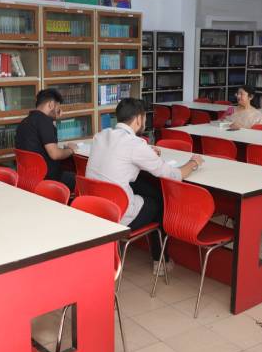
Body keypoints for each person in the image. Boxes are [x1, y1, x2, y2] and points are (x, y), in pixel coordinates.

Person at [86, 98, 203, 273]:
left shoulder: (100, 136)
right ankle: (160, 262)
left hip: (94, 208)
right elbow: (172, 175)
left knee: (146, 187)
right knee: (160, 202)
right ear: (138, 119)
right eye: (145, 118)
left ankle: (160, 259)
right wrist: (193, 163)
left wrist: (147, 152)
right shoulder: (135, 144)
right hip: (119, 214)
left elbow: (121, 158)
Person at [15, 89, 77, 191]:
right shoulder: (44, 122)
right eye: (58, 107)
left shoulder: (25, 122)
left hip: (27, 180)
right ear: (51, 104)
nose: (59, 111)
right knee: (80, 180)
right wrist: (71, 150)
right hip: (48, 180)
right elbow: (55, 154)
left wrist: (53, 119)